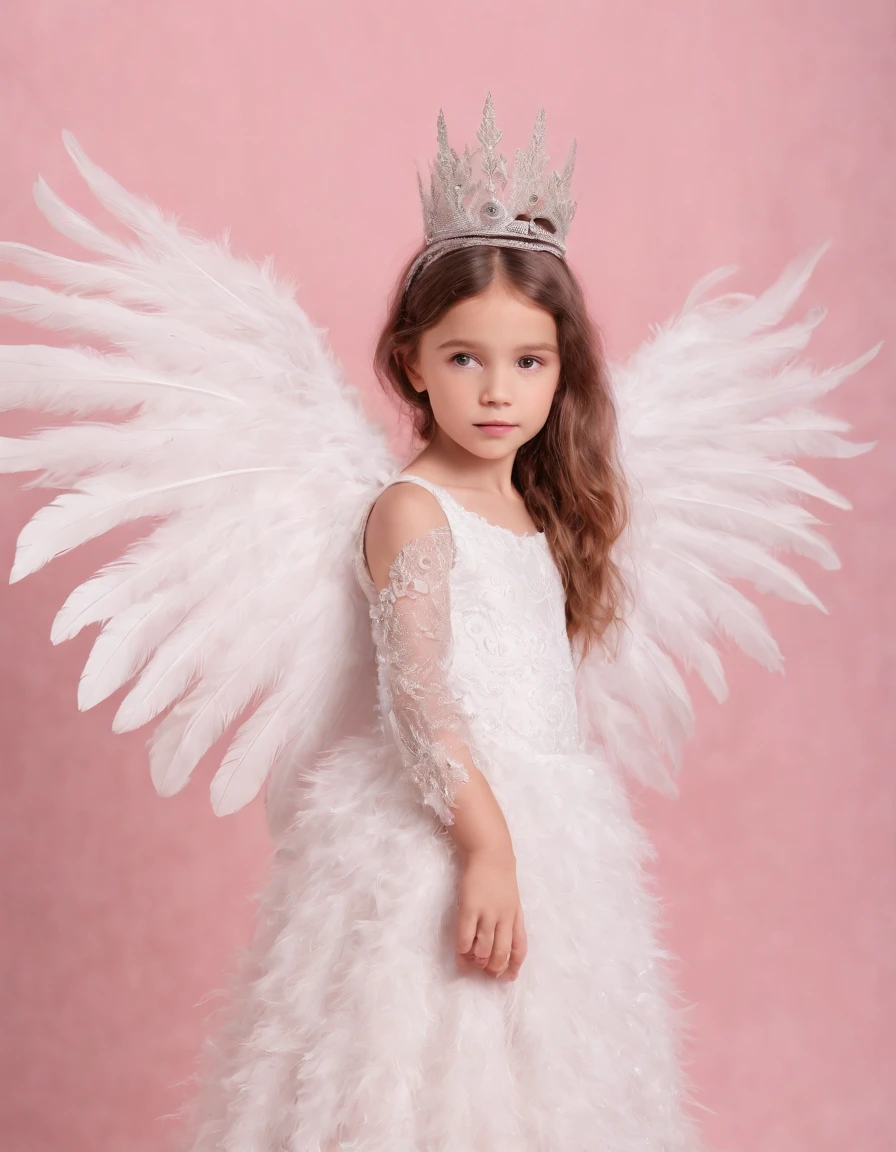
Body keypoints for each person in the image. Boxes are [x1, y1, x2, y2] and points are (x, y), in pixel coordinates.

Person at [0, 94, 876, 1151]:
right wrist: (485, 845)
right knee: (426, 1088)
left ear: (563, 372)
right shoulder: (408, 511)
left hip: (555, 835)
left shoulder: (542, 513)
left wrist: (522, 842)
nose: (496, 391)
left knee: (556, 1090)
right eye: (465, 359)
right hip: (448, 832)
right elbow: (419, 696)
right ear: (411, 361)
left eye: (528, 362)